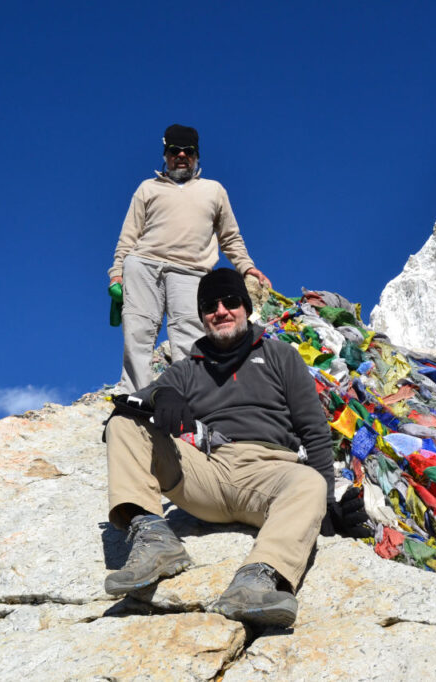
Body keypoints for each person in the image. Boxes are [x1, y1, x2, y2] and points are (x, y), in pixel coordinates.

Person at [102, 269, 368, 628]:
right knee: (123, 424)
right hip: (209, 473)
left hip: (272, 473)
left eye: (230, 302)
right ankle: (153, 541)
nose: (221, 311)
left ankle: (256, 581)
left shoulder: (280, 356)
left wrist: (327, 509)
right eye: (210, 306)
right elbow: (133, 403)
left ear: (245, 306)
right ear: (201, 316)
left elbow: (315, 433)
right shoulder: (186, 369)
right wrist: (161, 394)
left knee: (309, 483)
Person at [108, 124, 271, 392]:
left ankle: (189, 399)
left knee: (190, 336)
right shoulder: (147, 188)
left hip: (192, 271)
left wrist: (247, 268)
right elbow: (128, 236)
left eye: (188, 151)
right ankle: (134, 396)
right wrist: (117, 271)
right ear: (165, 154)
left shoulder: (214, 190)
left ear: (196, 156)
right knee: (137, 333)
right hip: (143, 265)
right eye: (175, 150)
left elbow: (230, 237)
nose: (181, 155)